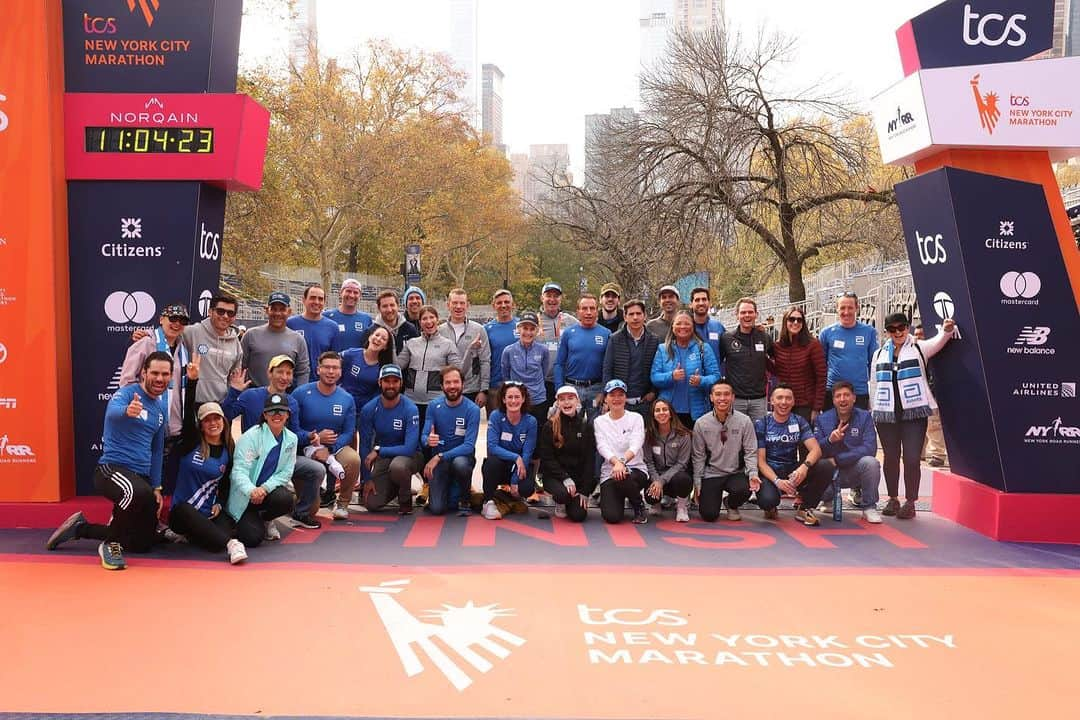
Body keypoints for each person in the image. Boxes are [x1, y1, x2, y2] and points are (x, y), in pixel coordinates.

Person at [46, 352, 173, 570]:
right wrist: (127, 411)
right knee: (137, 493)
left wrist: (156, 487)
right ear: (144, 372)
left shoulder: (160, 408)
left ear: (170, 376)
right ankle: (110, 544)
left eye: (165, 374)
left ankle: (80, 529)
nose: (159, 378)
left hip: (141, 479)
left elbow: (157, 450)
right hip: (111, 470)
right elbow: (112, 413)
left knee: (141, 543)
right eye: (154, 373)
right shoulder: (126, 394)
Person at [221, 355, 326, 530]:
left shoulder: (291, 402)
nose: (284, 377)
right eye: (280, 372)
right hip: (253, 462)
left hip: (280, 461)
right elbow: (226, 416)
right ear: (269, 373)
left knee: (315, 470)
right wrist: (234, 392)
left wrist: (309, 436)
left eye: (288, 373)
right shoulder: (250, 396)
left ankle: (297, 513)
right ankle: (239, 512)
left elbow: (293, 434)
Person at [872, 313, 957, 519]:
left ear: (908, 327)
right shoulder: (879, 354)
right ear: (887, 332)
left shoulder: (919, 347)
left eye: (901, 327)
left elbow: (940, 340)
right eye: (892, 329)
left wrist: (946, 330)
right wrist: (873, 410)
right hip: (886, 413)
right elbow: (873, 383)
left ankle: (911, 501)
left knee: (911, 458)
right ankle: (893, 498)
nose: (898, 332)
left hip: (914, 412)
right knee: (890, 458)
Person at [165, 355, 247, 564]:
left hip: (208, 512)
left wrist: (220, 502)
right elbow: (187, 414)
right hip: (182, 514)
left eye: (216, 418)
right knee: (187, 513)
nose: (213, 423)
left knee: (214, 542)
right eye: (207, 420)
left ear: (223, 421)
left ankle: (200, 536)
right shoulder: (191, 442)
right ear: (200, 425)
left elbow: (227, 482)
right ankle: (232, 545)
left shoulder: (229, 447)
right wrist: (192, 381)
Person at [120, 302, 191, 494]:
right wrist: (143, 410)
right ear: (161, 319)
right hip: (148, 422)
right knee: (140, 475)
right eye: (173, 318)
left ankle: (154, 517)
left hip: (173, 425)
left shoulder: (182, 348)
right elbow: (127, 381)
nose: (177, 324)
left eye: (182, 320)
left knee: (159, 478)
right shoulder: (146, 342)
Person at [293, 351, 360, 522]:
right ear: (318, 370)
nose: (331, 371)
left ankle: (343, 503)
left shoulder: (347, 398)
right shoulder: (300, 393)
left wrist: (330, 448)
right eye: (327, 367)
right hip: (304, 451)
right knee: (311, 510)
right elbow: (291, 430)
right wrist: (312, 438)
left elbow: (348, 432)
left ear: (340, 372)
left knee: (353, 459)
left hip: (333, 449)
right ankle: (293, 498)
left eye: (335, 368)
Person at [225, 392, 299, 547]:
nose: (276, 415)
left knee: (286, 499)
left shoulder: (292, 439)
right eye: (272, 411)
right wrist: (252, 490)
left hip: (265, 493)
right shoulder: (250, 437)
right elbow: (239, 471)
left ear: (288, 415)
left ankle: (265, 519)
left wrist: (264, 489)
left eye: (281, 411)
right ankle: (243, 520)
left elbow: (286, 472)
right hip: (246, 495)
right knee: (252, 539)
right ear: (265, 415)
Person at [755, 383, 835, 526]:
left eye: (788, 398)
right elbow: (760, 462)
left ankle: (805, 508)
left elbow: (816, 450)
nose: (784, 402)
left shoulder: (799, 421)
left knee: (825, 466)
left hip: (792, 470)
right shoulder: (762, 423)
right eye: (779, 398)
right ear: (771, 401)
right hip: (770, 472)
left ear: (793, 401)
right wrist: (777, 481)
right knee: (768, 501)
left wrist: (803, 468)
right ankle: (771, 505)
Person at [814, 381, 883, 523]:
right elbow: (815, 450)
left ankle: (869, 507)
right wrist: (830, 440)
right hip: (829, 473)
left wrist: (839, 459)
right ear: (833, 400)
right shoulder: (822, 419)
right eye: (838, 396)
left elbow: (870, 448)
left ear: (854, 398)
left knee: (871, 462)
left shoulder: (865, 417)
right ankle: (827, 500)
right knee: (818, 469)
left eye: (846, 395)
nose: (842, 399)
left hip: (853, 470)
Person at [692, 379, 759, 522]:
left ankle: (731, 504)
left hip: (736, 473)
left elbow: (750, 451)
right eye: (718, 394)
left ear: (733, 397)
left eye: (726, 394)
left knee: (744, 489)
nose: (722, 398)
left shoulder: (745, 421)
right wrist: (697, 483)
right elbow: (698, 456)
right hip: (712, 473)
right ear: (711, 397)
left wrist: (753, 473)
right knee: (709, 515)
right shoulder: (701, 423)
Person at [359, 364, 421, 514]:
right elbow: (364, 446)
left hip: (410, 457)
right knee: (371, 503)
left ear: (401, 383)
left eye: (395, 381)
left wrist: (379, 450)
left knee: (398, 467)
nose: (391, 385)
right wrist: (366, 479)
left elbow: (409, 448)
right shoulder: (369, 409)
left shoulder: (410, 408)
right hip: (385, 458)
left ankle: (405, 500)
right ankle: (396, 487)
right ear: (380, 383)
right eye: (387, 381)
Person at [421, 366, 481, 516]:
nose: (452, 386)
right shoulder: (434, 406)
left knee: (460, 464)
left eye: (456, 382)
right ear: (442, 386)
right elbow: (423, 437)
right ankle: (441, 489)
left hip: (461, 459)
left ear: (463, 384)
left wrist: (439, 456)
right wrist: (428, 440)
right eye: (448, 383)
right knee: (437, 509)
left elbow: (468, 446)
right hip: (440, 463)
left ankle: (465, 499)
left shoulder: (472, 409)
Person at [650, 310, 721, 427]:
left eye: (687, 323)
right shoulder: (663, 349)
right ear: (672, 326)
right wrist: (671, 376)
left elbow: (716, 376)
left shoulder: (703, 348)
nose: (682, 327)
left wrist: (701, 381)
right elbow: (654, 377)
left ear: (693, 326)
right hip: (668, 412)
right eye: (678, 323)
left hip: (697, 411)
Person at [537, 385, 596, 522]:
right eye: (562, 399)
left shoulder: (586, 426)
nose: (567, 402)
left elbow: (589, 460)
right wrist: (564, 478)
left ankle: (573, 498)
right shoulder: (549, 426)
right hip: (556, 478)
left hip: (578, 479)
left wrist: (584, 491)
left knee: (578, 516)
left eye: (570, 398)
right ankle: (561, 502)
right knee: (563, 494)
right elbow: (547, 459)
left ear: (578, 402)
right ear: (558, 403)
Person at [481, 382, 539, 521]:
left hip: (519, 466)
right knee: (490, 463)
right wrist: (515, 457)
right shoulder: (496, 416)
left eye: (517, 397)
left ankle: (509, 497)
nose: (513, 401)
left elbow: (527, 452)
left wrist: (515, 481)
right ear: (503, 399)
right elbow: (492, 446)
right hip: (500, 463)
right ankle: (487, 502)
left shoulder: (531, 421)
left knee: (526, 489)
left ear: (523, 399)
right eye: (510, 397)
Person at [594, 379, 649, 525]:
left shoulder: (636, 418)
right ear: (606, 398)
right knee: (611, 517)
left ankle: (638, 504)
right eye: (612, 395)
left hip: (635, 470)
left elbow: (636, 443)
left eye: (620, 395)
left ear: (625, 397)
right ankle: (622, 496)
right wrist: (617, 463)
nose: (616, 399)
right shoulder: (599, 421)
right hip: (610, 472)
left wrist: (622, 462)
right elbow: (602, 446)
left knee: (624, 475)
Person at [397, 304, 460, 426]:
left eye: (431, 317)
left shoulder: (447, 344)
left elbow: (458, 371)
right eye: (424, 319)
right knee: (413, 438)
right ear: (420, 322)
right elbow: (398, 366)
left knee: (432, 439)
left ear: (437, 319)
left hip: (436, 401)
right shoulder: (411, 343)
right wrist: (390, 345)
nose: (428, 321)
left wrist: (470, 351)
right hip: (411, 400)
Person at [554, 294, 611, 422]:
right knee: (570, 427)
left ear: (597, 311)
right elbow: (559, 364)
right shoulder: (568, 333)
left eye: (592, 308)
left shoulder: (606, 334)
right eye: (584, 308)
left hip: (596, 389)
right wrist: (560, 390)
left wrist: (604, 392)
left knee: (595, 428)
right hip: (572, 388)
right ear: (578, 311)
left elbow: (609, 366)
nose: (588, 312)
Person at [719, 297, 774, 422]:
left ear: (756, 314)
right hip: (736, 399)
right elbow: (718, 363)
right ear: (737, 315)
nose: (747, 315)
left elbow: (776, 357)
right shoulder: (727, 338)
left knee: (759, 436)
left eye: (750, 312)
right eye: (743, 312)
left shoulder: (764, 337)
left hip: (759, 400)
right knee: (735, 437)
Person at [819, 292, 876, 410]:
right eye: (842, 308)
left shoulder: (869, 332)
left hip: (859, 392)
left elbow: (873, 364)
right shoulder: (827, 333)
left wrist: (874, 394)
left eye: (850, 308)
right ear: (837, 309)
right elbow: (820, 366)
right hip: (833, 392)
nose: (846, 312)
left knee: (859, 428)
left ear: (857, 308)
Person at [603, 299, 659, 418]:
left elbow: (657, 368)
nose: (635, 318)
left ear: (645, 316)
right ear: (625, 316)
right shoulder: (614, 339)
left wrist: (653, 392)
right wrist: (608, 396)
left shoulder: (653, 340)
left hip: (644, 402)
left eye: (638, 314)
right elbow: (607, 369)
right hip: (621, 402)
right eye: (631, 314)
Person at [241, 291, 310, 388]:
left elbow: (303, 372)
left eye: (282, 309)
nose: (278, 313)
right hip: (254, 396)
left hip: (284, 397)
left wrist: (298, 395)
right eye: (273, 309)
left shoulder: (298, 339)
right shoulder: (251, 335)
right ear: (267, 310)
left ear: (289, 312)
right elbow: (240, 367)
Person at [183, 293, 243, 404]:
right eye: (220, 311)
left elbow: (233, 378)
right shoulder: (192, 332)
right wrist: (145, 334)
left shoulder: (236, 343)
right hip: (192, 403)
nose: (225, 316)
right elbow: (166, 336)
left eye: (230, 313)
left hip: (219, 408)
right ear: (210, 312)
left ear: (234, 317)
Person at [771, 306, 827, 424]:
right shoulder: (777, 346)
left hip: (805, 406)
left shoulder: (813, 345)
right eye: (792, 319)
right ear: (785, 321)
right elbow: (776, 371)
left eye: (799, 320)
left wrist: (816, 408)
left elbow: (821, 377)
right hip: (783, 404)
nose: (795, 322)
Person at [643, 398, 693, 522]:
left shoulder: (684, 435)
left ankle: (682, 506)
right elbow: (648, 461)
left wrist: (662, 481)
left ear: (671, 413)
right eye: (657, 410)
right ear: (653, 415)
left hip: (676, 476)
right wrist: (656, 480)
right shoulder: (648, 435)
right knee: (650, 496)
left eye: (665, 409)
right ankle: (656, 503)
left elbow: (682, 463)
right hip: (657, 476)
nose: (661, 413)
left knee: (683, 479)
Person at [439, 288, 491, 406]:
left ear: (467, 305)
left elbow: (485, 361)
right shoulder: (440, 331)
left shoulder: (479, 330)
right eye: (455, 303)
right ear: (448, 305)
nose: (458, 306)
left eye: (462, 303)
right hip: (446, 390)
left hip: (471, 390)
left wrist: (484, 390)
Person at [501, 311, 552, 428]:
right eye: (525, 328)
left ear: (537, 330)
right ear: (518, 329)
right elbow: (506, 376)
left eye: (532, 329)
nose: (528, 332)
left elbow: (544, 372)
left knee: (539, 434)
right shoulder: (508, 351)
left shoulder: (543, 350)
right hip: (517, 401)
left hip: (538, 399)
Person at [340, 325, 392, 422]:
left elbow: (378, 394)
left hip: (362, 412)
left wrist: (369, 410)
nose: (378, 339)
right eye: (376, 335)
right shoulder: (351, 354)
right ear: (369, 337)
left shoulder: (383, 368)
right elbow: (332, 364)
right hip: (341, 404)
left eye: (383, 339)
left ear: (385, 347)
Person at [913, 324, 948, 467]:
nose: (917, 338)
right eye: (916, 335)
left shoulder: (934, 350)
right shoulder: (913, 351)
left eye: (921, 335)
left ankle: (937, 454)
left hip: (932, 392)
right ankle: (918, 453)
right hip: (916, 395)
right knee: (917, 425)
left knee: (933, 424)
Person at [537, 282, 577, 401]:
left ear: (561, 299)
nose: (552, 300)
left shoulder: (572, 321)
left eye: (556, 296)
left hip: (565, 381)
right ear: (542, 298)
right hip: (540, 382)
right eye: (548, 295)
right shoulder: (533, 321)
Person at [286, 285, 340, 368]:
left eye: (320, 299)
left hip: (320, 380)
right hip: (295, 379)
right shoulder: (290, 323)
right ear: (304, 300)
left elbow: (334, 359)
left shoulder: (333, 327)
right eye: (312, 298)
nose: (317, 302)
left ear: (324, 302)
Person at [358, 289, 420, 360]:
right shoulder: (370, 332)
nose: (389, 310)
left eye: (392, 305)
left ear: (398, 306)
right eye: (385, 306)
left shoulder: (410, 329)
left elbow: (416, 356)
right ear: (379, 308)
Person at [483, 289, 519, 407]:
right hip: (495, 387)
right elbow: (483, 360)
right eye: (499, 303)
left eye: (506, 302)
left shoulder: (522, 326)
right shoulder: (486, 329)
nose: (503, 305)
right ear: (494, 306)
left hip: (519, 385)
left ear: (513, 305)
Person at [326, 278, 374, 352]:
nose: (352, 295)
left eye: (355, 292)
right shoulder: (327, 316)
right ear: (341, 293)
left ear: (360, 296)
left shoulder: (366, 319)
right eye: (348, 291)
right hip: (333, 363)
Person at [688, 287, 726, 368]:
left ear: (709, 303)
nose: (701, 303)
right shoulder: (684, 328)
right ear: (691, 304)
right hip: (692, 378)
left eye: (704, 299)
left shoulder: (718, 327)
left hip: (715, 378)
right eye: (697, 300)